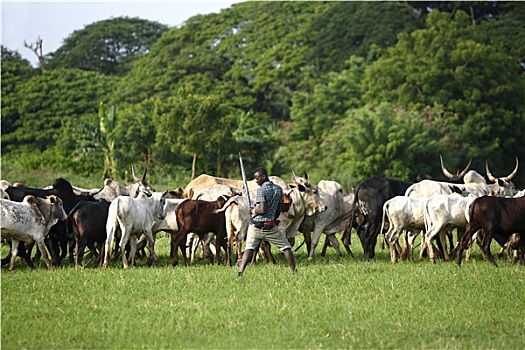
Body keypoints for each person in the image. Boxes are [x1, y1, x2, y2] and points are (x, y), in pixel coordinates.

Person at [238, 167, 296, 276]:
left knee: (249, 248)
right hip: (271, 226)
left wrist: (253, 210)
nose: (256, 181)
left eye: (257, 178)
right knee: (286, 247)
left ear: (264, 177)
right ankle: (294, 271)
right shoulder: (279, 189)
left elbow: (261, 210)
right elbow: (278, 210)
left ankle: (240, 272)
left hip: (256, 226)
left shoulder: (261, 190)